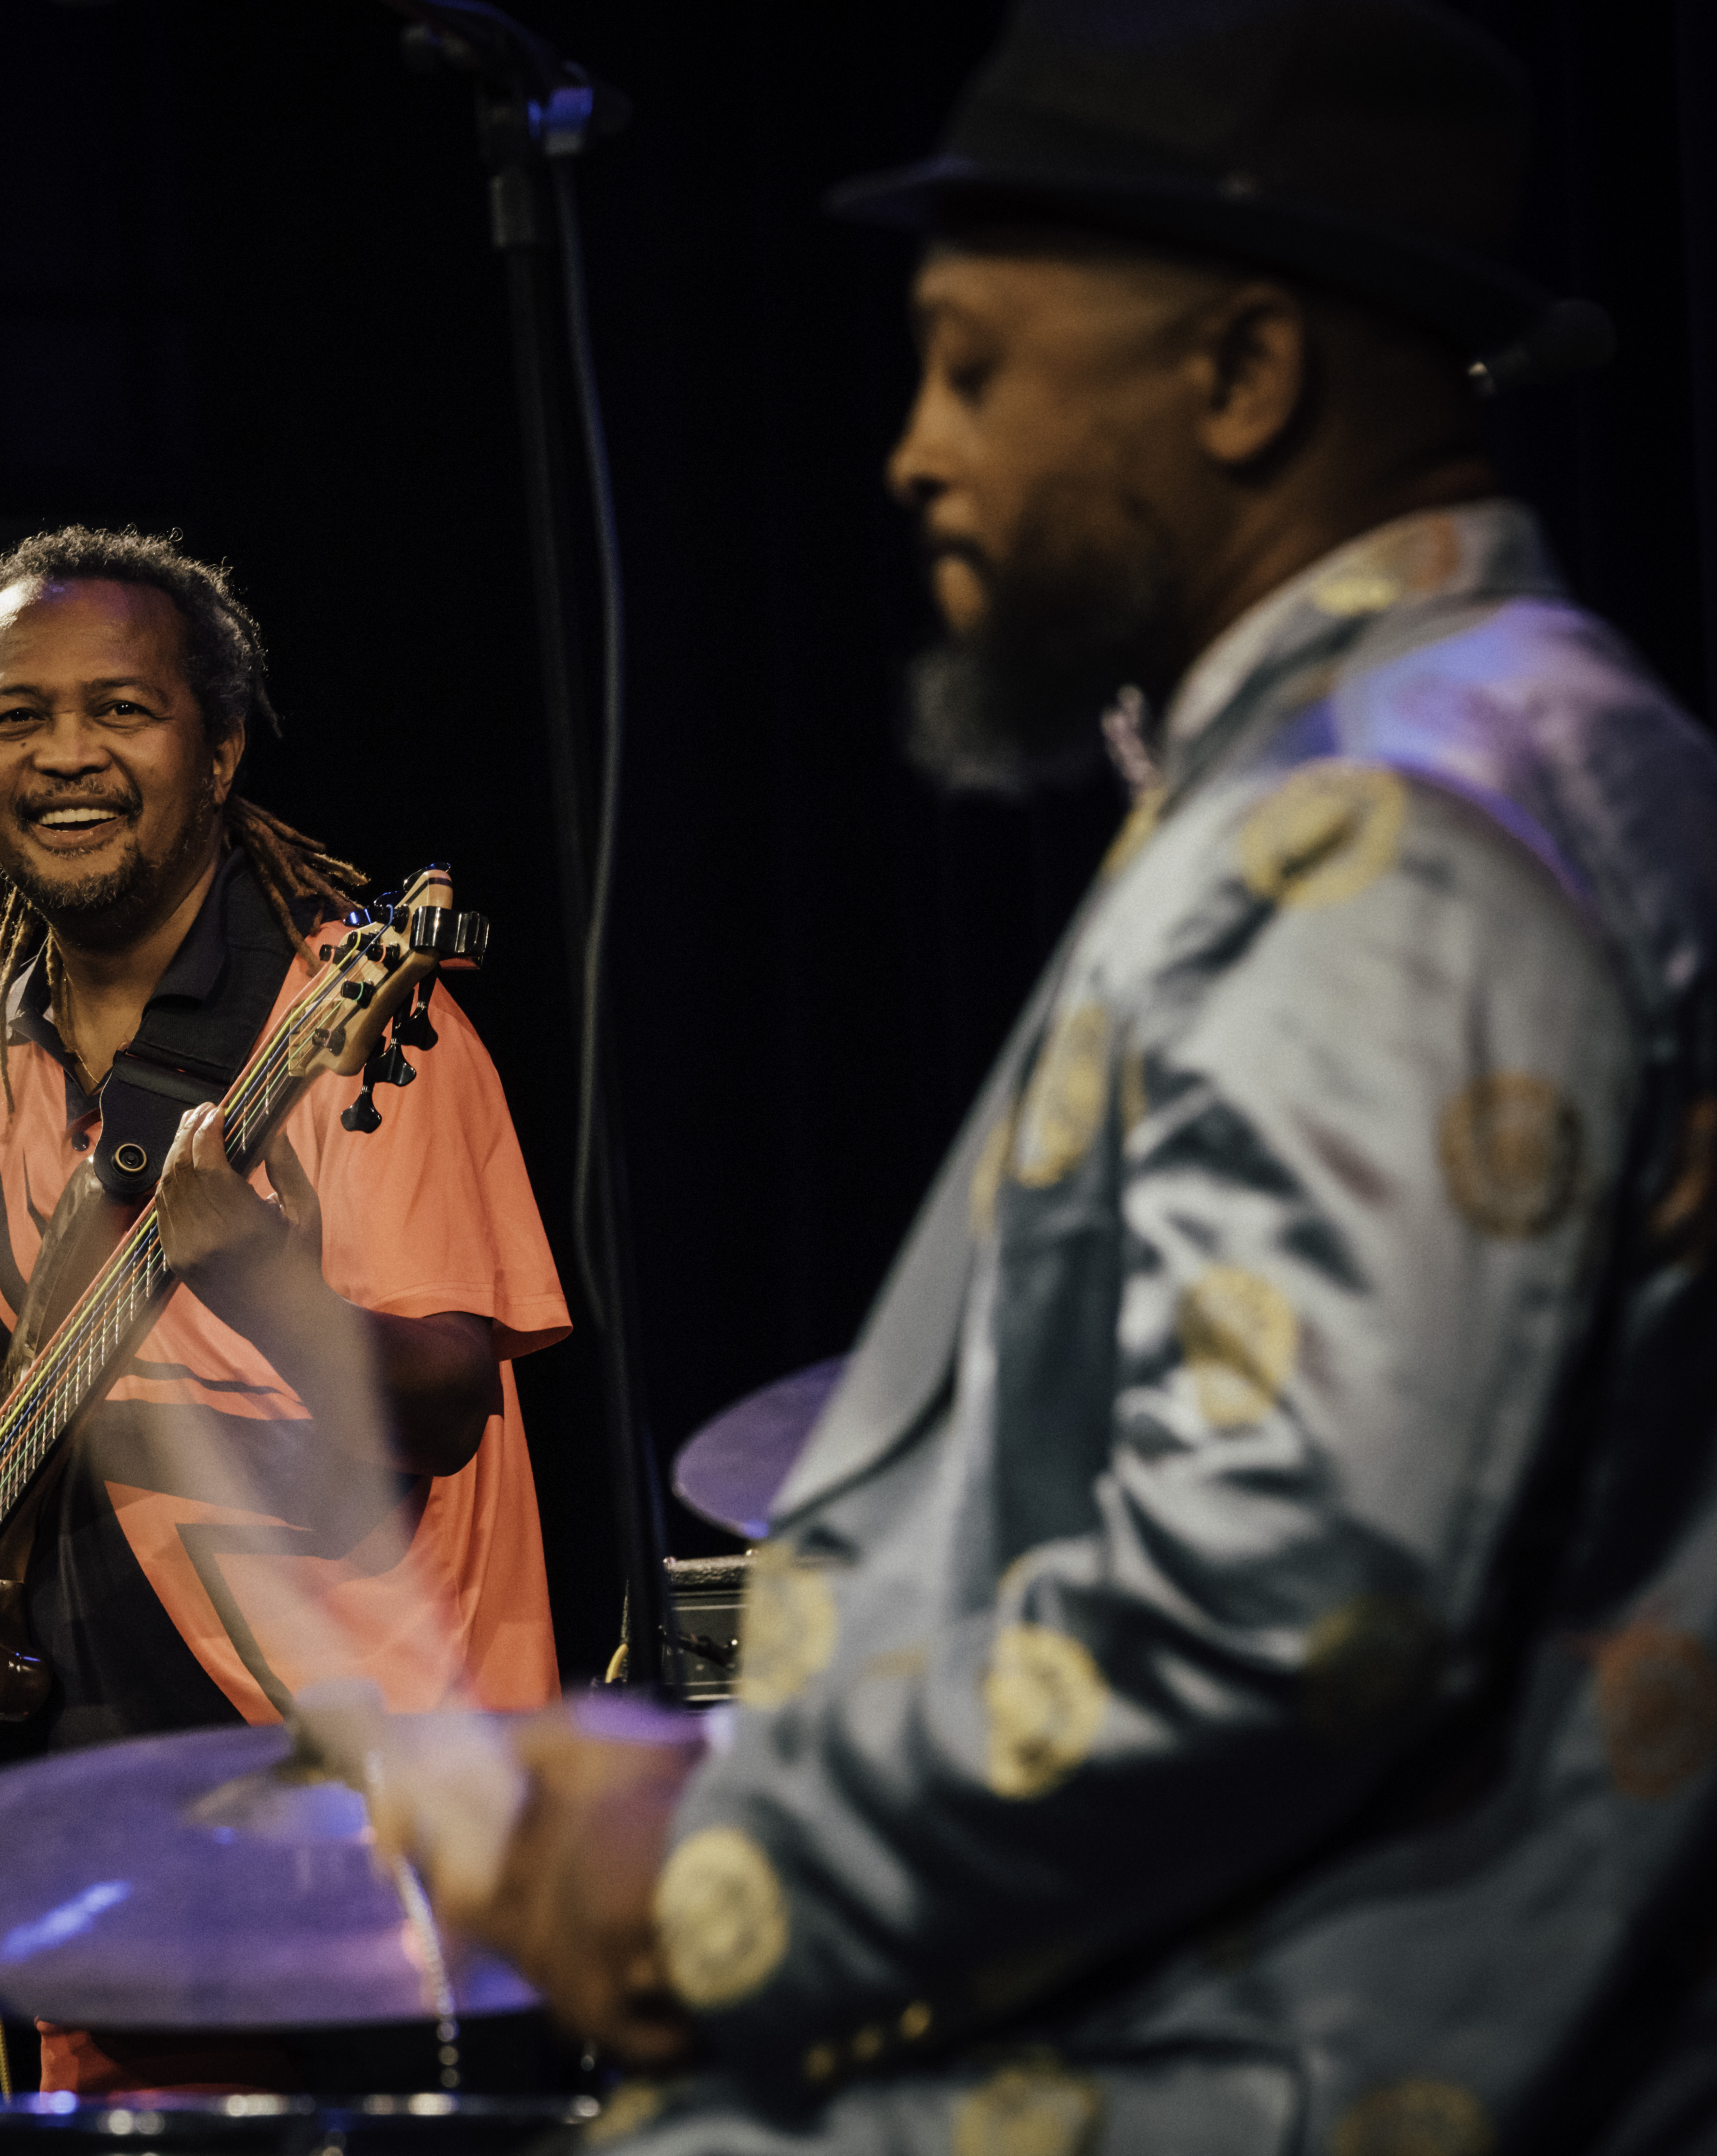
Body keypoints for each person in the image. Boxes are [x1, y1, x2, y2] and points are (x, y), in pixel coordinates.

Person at [372, 4, 1717, 2151]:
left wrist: (725, 1866)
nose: (914, 447)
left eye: (977, 365)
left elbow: (1272, 1602)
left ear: (1242, 375)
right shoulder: (1525, 742)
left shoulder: (1377, 832)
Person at [0, 525, 569, 2090]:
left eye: (121, 712)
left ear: (216, 756)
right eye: (14, 717)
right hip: (78, 1806)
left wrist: (253, 1269)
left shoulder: (362, 1031)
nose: (65, 755)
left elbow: (436, 1398)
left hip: (345, 1814)